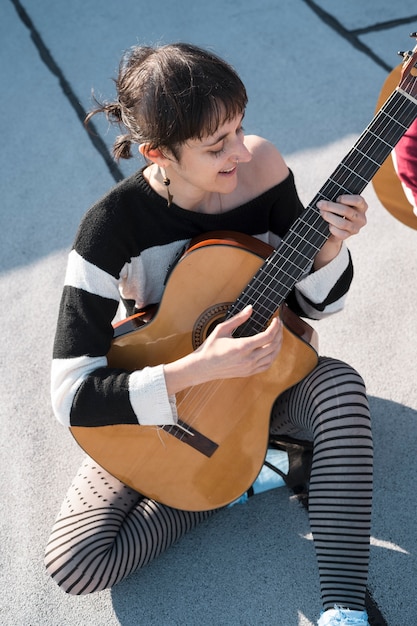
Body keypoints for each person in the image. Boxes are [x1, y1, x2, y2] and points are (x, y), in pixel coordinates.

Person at [44, 43, 373, 626]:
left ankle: (342, 607)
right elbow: (71, 394)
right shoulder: (110, 230)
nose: (240, 152)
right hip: (167, 399)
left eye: (239, 128)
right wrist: (200, 368)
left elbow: (312, 309)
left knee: (343, 390)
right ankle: (252, 473)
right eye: (215, 145)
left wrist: (328, 249)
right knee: (76, 564)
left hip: (266, 382)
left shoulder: (261, 168)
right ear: (158, 154)